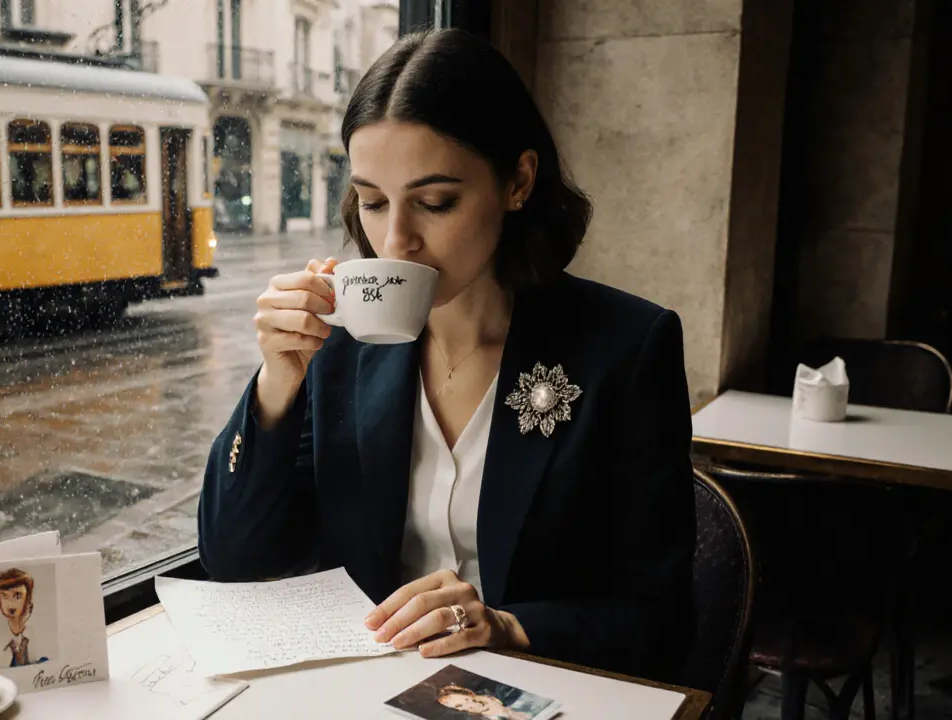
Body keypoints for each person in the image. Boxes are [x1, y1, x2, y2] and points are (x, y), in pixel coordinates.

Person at [197, 28, 696, 678]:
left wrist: (507, 627)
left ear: (518, 181)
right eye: (371, 202)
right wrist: (276, 384)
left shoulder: (624, 349)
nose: (394, 241)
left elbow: (661, 619)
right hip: (370, 690)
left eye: (435, 202)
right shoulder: (343, 351)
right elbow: (235, 559)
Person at [436, 685, 532, 720]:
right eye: (457, 708)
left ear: (469, 693)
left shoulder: (508, 692)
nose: (461, 709)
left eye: (460, 704)